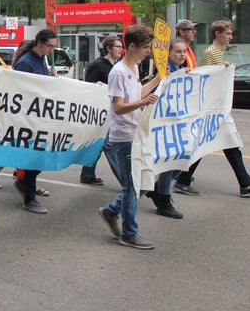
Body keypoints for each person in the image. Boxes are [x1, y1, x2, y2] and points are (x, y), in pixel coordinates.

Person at [178, 20, 250, 198]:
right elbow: (206, 77)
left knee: (229, 143)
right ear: (218, 34)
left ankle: (245, 183)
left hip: (218, 107)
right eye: (227, 33)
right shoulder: (210, 52)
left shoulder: (218, 53)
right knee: (209, 144)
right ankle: (183, 179)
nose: (230, 37)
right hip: (213, 107)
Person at [98, 25, 161, 250]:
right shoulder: (118, 72)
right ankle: (129, 233)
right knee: (132, 186)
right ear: (131, 46)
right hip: (123, 137)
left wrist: (157, 81)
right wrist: (142, 103)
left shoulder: (134, 68)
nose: (148, 51)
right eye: (145, 47)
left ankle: (111, 210)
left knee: (142, 183)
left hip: (136, 134)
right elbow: (118, 107)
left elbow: (138, 93)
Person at [12, 29, 59, 214]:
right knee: (34, 158)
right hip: (29, 118)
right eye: (49, 46)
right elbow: (21, 91)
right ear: (39, 42)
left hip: (40, 116)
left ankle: (24, 183)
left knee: (44, 155)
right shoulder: (25, 63)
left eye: (54, 47)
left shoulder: (41, 60)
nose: (51, 50)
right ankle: (29, 197)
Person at [143, 38, 187, 219]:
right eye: (178, 52)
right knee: (169, 162)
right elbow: (153, 94)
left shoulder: (180, 70)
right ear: (168, 54)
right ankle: (163, 199)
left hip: (176, 122)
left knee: (182, 159)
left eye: (184, 52)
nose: (182, 55)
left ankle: (157, 188)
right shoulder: (165, 71)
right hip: (163, 123)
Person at [79, 35, 124, 185]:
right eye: (117, 46)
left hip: (113, 111)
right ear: (108, 48)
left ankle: (87, 174)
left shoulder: (118, 65)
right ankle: (126, 181)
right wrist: (96, 85)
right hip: (100, 113)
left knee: (97, 145)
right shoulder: (97, 65)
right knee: (108, 146)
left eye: (121, 46)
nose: (120, 49)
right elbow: (88, 87)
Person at [172, 19, 201, 195]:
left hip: (189, 104)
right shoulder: (179, 52)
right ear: (182, 32)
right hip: (181, 106)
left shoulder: (189, 51)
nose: (194, 32)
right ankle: (180, 178)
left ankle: (180, 175)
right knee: (194, 142)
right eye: (191, 29)